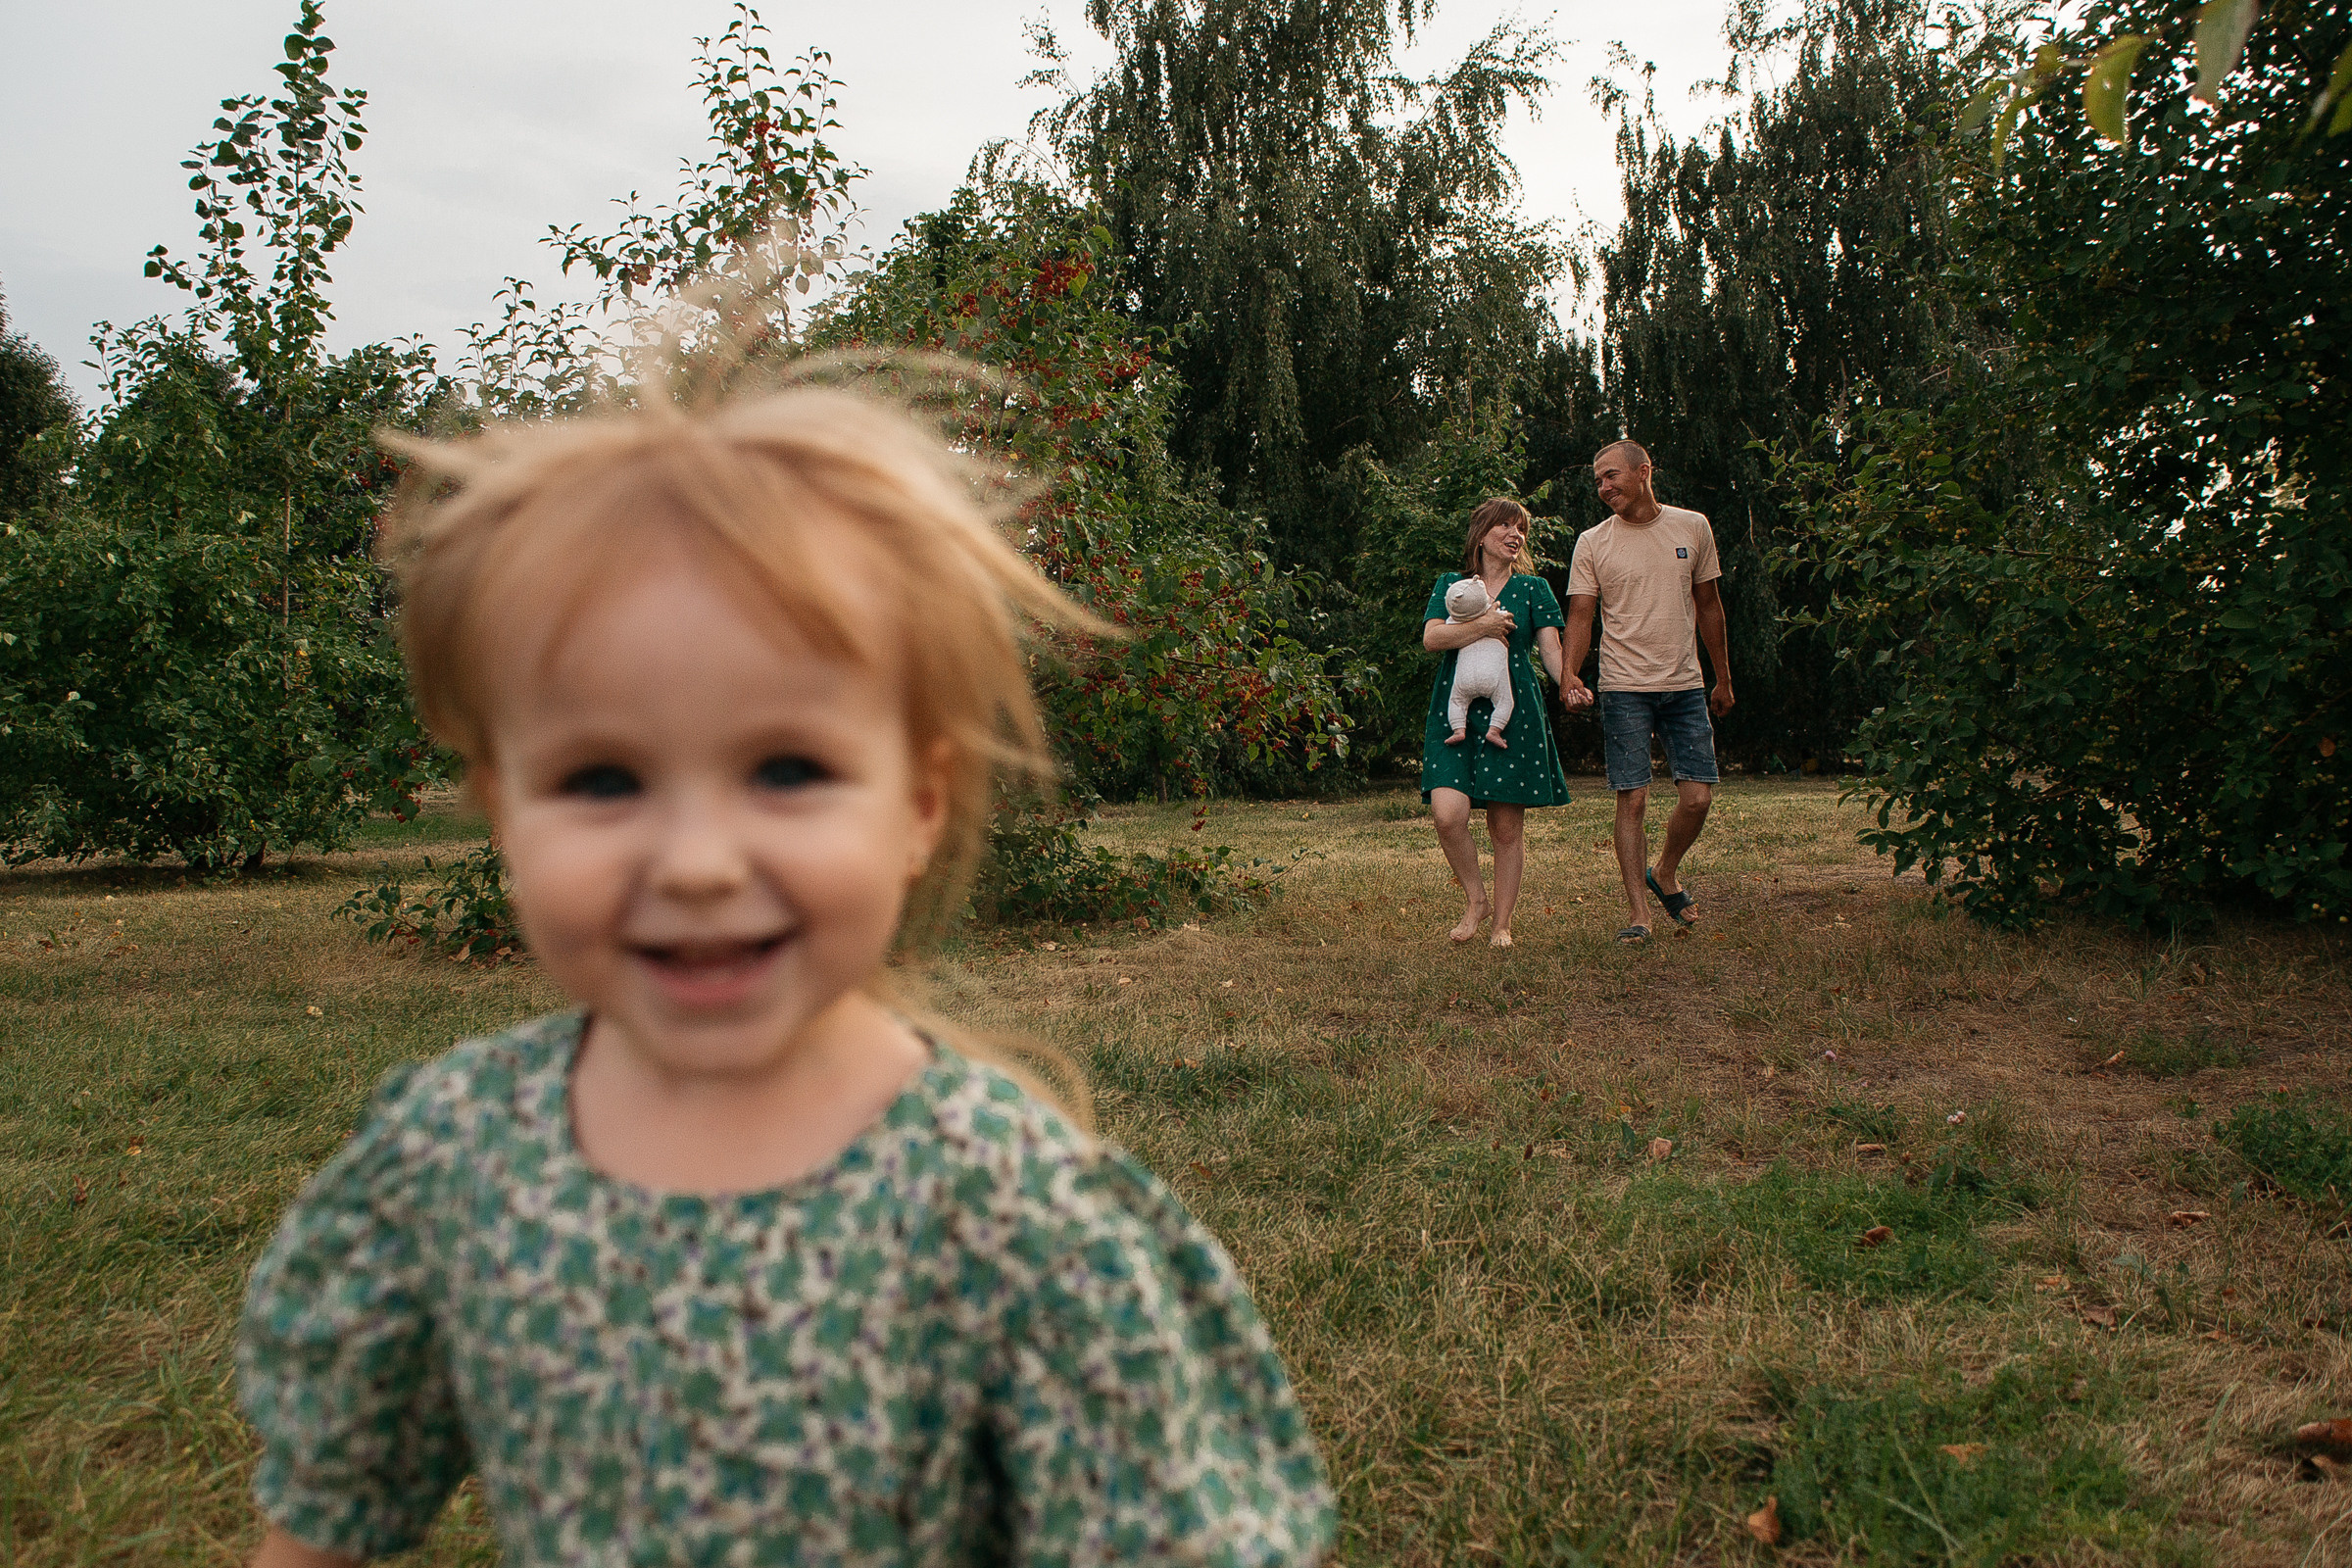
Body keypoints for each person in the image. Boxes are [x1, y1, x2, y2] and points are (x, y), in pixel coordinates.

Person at [234, 387, 1336, 1567]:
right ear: (505, 811)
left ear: (918, 807)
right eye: (602, 781)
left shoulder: (1010, 1212)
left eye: (788, 769)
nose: (698, 863)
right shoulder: (450, 1157)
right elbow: (328, 1508)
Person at [1559, 439, 1734, 944]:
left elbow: (1709, 605)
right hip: (1624, 687)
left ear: (1643, 472)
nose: (1603, 487)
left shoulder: (1692, 526)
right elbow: (1581, 614)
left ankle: (1666, 871)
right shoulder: (1593, 542)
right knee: (1631, 800)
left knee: (1697, 798)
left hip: (1684, 685)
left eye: (1611, 476)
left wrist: (1723, 676)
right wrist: (1570, 674)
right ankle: (1640, 915)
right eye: (1598, 480)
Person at [1419, 497, 1572, 948]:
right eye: (1504, 525)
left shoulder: (1534, 589)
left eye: (1520, 528)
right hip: (1456, 711)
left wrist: (1570, 684)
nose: (1514, 534)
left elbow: (1551, 652)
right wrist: (1484, 626)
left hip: (1513, 712)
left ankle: (1501, 923)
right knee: (1448, 815)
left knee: (1506, 829)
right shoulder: (1452, 585)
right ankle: (1476, 899)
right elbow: (1433, 638)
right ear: (1481, 535)